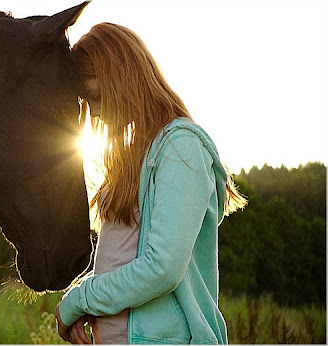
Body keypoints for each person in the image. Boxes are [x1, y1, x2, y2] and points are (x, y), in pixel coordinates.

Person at [55, 23, 247, 344]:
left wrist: (80, 300)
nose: (95, 113)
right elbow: (124, 261)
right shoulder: (136, 157)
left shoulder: (180, 146)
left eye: (94, 97)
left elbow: (162, 268)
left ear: (120, 77)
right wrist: (84, 302)